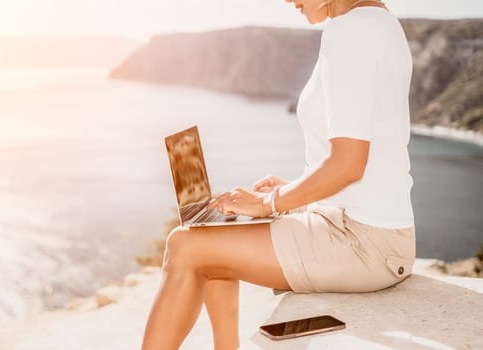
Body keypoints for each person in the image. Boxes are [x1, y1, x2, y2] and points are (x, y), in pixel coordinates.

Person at [141, 0, 416, 349]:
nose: (286, 1)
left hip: (363, 243)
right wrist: (292, 190)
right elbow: (372, 156)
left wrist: (271, 203)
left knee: (185, 245)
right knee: (211, 227)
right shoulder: (380, 23)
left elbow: (349, 165)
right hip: (371, 230)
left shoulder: (348, 31)